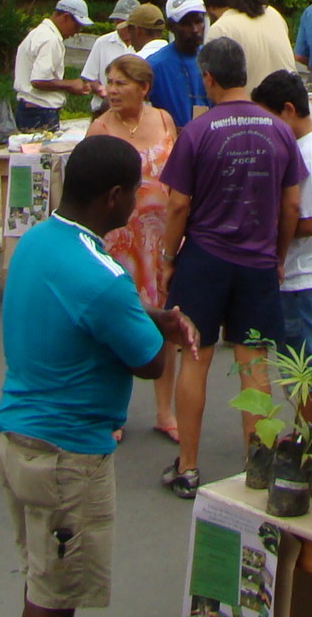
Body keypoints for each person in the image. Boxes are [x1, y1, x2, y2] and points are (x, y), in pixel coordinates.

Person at [0, 135, 198, 617]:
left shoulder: (39, 240)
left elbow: (80, 308)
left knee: (42, 577)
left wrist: (144, 312)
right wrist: (163, 327)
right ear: (113, 197)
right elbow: (151, 364)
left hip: (15, 437)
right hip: (65, 455)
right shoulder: (104, 276)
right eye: (133, 192)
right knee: (56, 596)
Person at [157, 38, 303, 499]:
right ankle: (257, 465)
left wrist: (166, 258)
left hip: (205, 257)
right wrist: (277, 256)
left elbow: (178, 202)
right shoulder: (278, 130)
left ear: (209, 78)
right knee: (254, 364)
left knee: (194, 358)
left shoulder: (198, 131)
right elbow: (292, 203)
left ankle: (188, 467)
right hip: (257, 260)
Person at [87, 53, 180, 440]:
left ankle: (164, 411)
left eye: (121, 83)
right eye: (109, 82)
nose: (112, 90)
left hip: (160, 239)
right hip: (119, 241)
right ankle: (112, 413)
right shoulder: (99, 129)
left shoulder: (162, 119)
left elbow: (177, 176)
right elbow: (88, 190)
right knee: (115, 324)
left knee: (166, 323)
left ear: (144, 88)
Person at [254, 69, 312, 365]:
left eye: (269, 118)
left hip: (303, 278)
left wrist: (266, 233)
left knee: (305, 371)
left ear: (288, 110)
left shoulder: (309, 152)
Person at [16, 0, 93, 133]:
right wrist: (70, 84)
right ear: (65, 17)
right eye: (77, 26)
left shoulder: (39, 33)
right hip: (40, 111)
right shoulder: (50, 39)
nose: (76, 32)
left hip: (31, 109)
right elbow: (39, 80)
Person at [208, 0, 294, 93]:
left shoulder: (221, 28)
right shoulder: (272, 13)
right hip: (291, 100)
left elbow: (213, 84)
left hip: (251, 106)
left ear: (212, 8)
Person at [81, 1, 165, 113]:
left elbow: (125, 103)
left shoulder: (138, 62)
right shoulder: (176, 56)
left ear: (137, 31)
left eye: (129, 29)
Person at [146, 0, 209, 130]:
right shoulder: (154, 66)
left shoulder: (213, 60)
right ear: (170, 27)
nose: (194, 29)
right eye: (186, 24)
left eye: (198, 21)